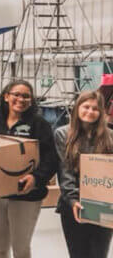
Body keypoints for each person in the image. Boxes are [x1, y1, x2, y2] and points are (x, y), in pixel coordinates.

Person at [0, 79, 58, 258]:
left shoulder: (39, 124)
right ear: (6, 96)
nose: (21, 99)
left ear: (31, 100)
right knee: (0, 248)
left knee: (21, 249)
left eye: (26, 96)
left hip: (26, 196)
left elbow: (51, 159)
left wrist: (36, 179)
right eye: (16, 94)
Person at [55, 90, 113, 258]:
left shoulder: (110, 136)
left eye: (95, 108)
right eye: (85, 106)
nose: (90, 111)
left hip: (103, 204)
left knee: (99, 253)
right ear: (77, 108)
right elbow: (64, 171)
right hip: (73, 205)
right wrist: (73, 200)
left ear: (101, 112)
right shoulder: (63, 134)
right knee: (78, 254)